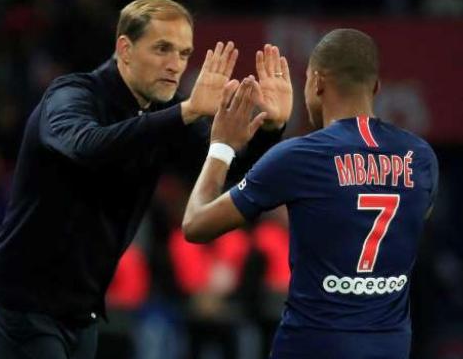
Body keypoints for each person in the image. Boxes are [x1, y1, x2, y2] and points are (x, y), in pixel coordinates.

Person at [0, 0, 292, 358]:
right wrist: (185, 112)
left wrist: (270, 128)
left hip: (81, 316)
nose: (176, 65)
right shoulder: (71, 96)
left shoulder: (162, 113)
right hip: (20, 312)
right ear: (124, 48)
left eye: (184, 53)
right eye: (162, 49)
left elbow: (224, 166)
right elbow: (87, 146)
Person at [183, 28, 438, 359]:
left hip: (312, 344)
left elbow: (196, 224)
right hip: (390, 346)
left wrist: (221, 147)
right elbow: (412, 217)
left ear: (316, 82)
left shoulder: (301, 156)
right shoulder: (420, 156)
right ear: (375, 87)